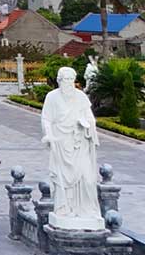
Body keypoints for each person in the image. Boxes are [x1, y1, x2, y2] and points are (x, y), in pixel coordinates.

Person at [41, 66, 103, 230]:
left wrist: (88, 124)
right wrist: (49, 135)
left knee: (87, 178)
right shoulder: (52, 97)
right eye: (64, 79)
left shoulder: (81, 97)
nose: (68, 83)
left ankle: (86, 209)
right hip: (61, 143)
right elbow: (46, 119)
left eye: (70, 79)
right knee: (63, 182)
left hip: (79, 142)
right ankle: (63, 209)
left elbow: (90, 117)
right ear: (59, 81)